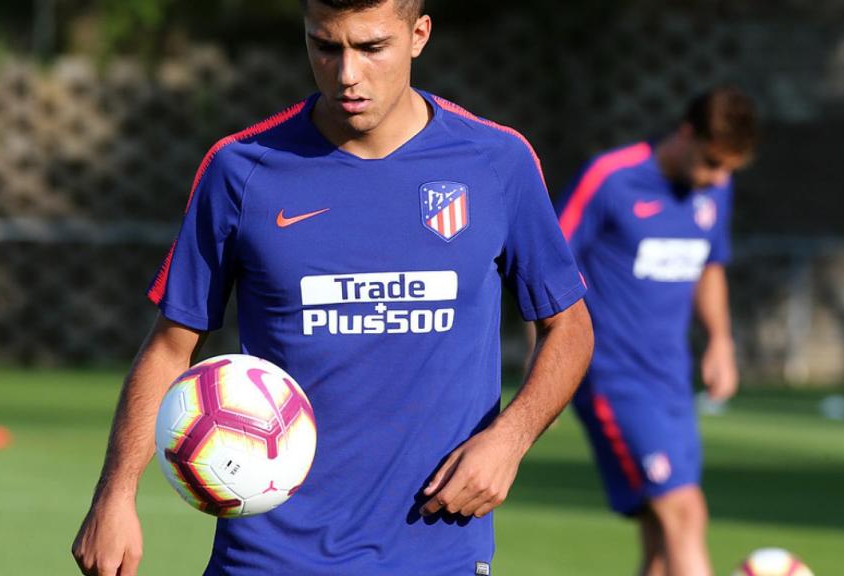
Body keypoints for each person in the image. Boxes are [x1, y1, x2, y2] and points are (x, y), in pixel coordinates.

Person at [72, 0, 594, 574]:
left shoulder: (497, 162)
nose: (347, 74)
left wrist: (510, 438)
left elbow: (568, 326)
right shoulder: (242, 168)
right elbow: (172, 346)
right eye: (325, 46)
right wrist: (114, 496)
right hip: (268, 556)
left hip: (435, 547)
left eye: (372, 48)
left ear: (418, 34)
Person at [555, 86, 757, 576]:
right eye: (712, 162)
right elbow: (549, 263)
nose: (719, 177)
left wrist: (721, 343)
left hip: (672, 380)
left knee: (661, 545)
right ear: (687, 134)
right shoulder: (611, 178)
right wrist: (552, 365)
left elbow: (711, 266)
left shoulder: (716, 188)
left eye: (730, 168)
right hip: (612, 376)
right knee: (685, 512)